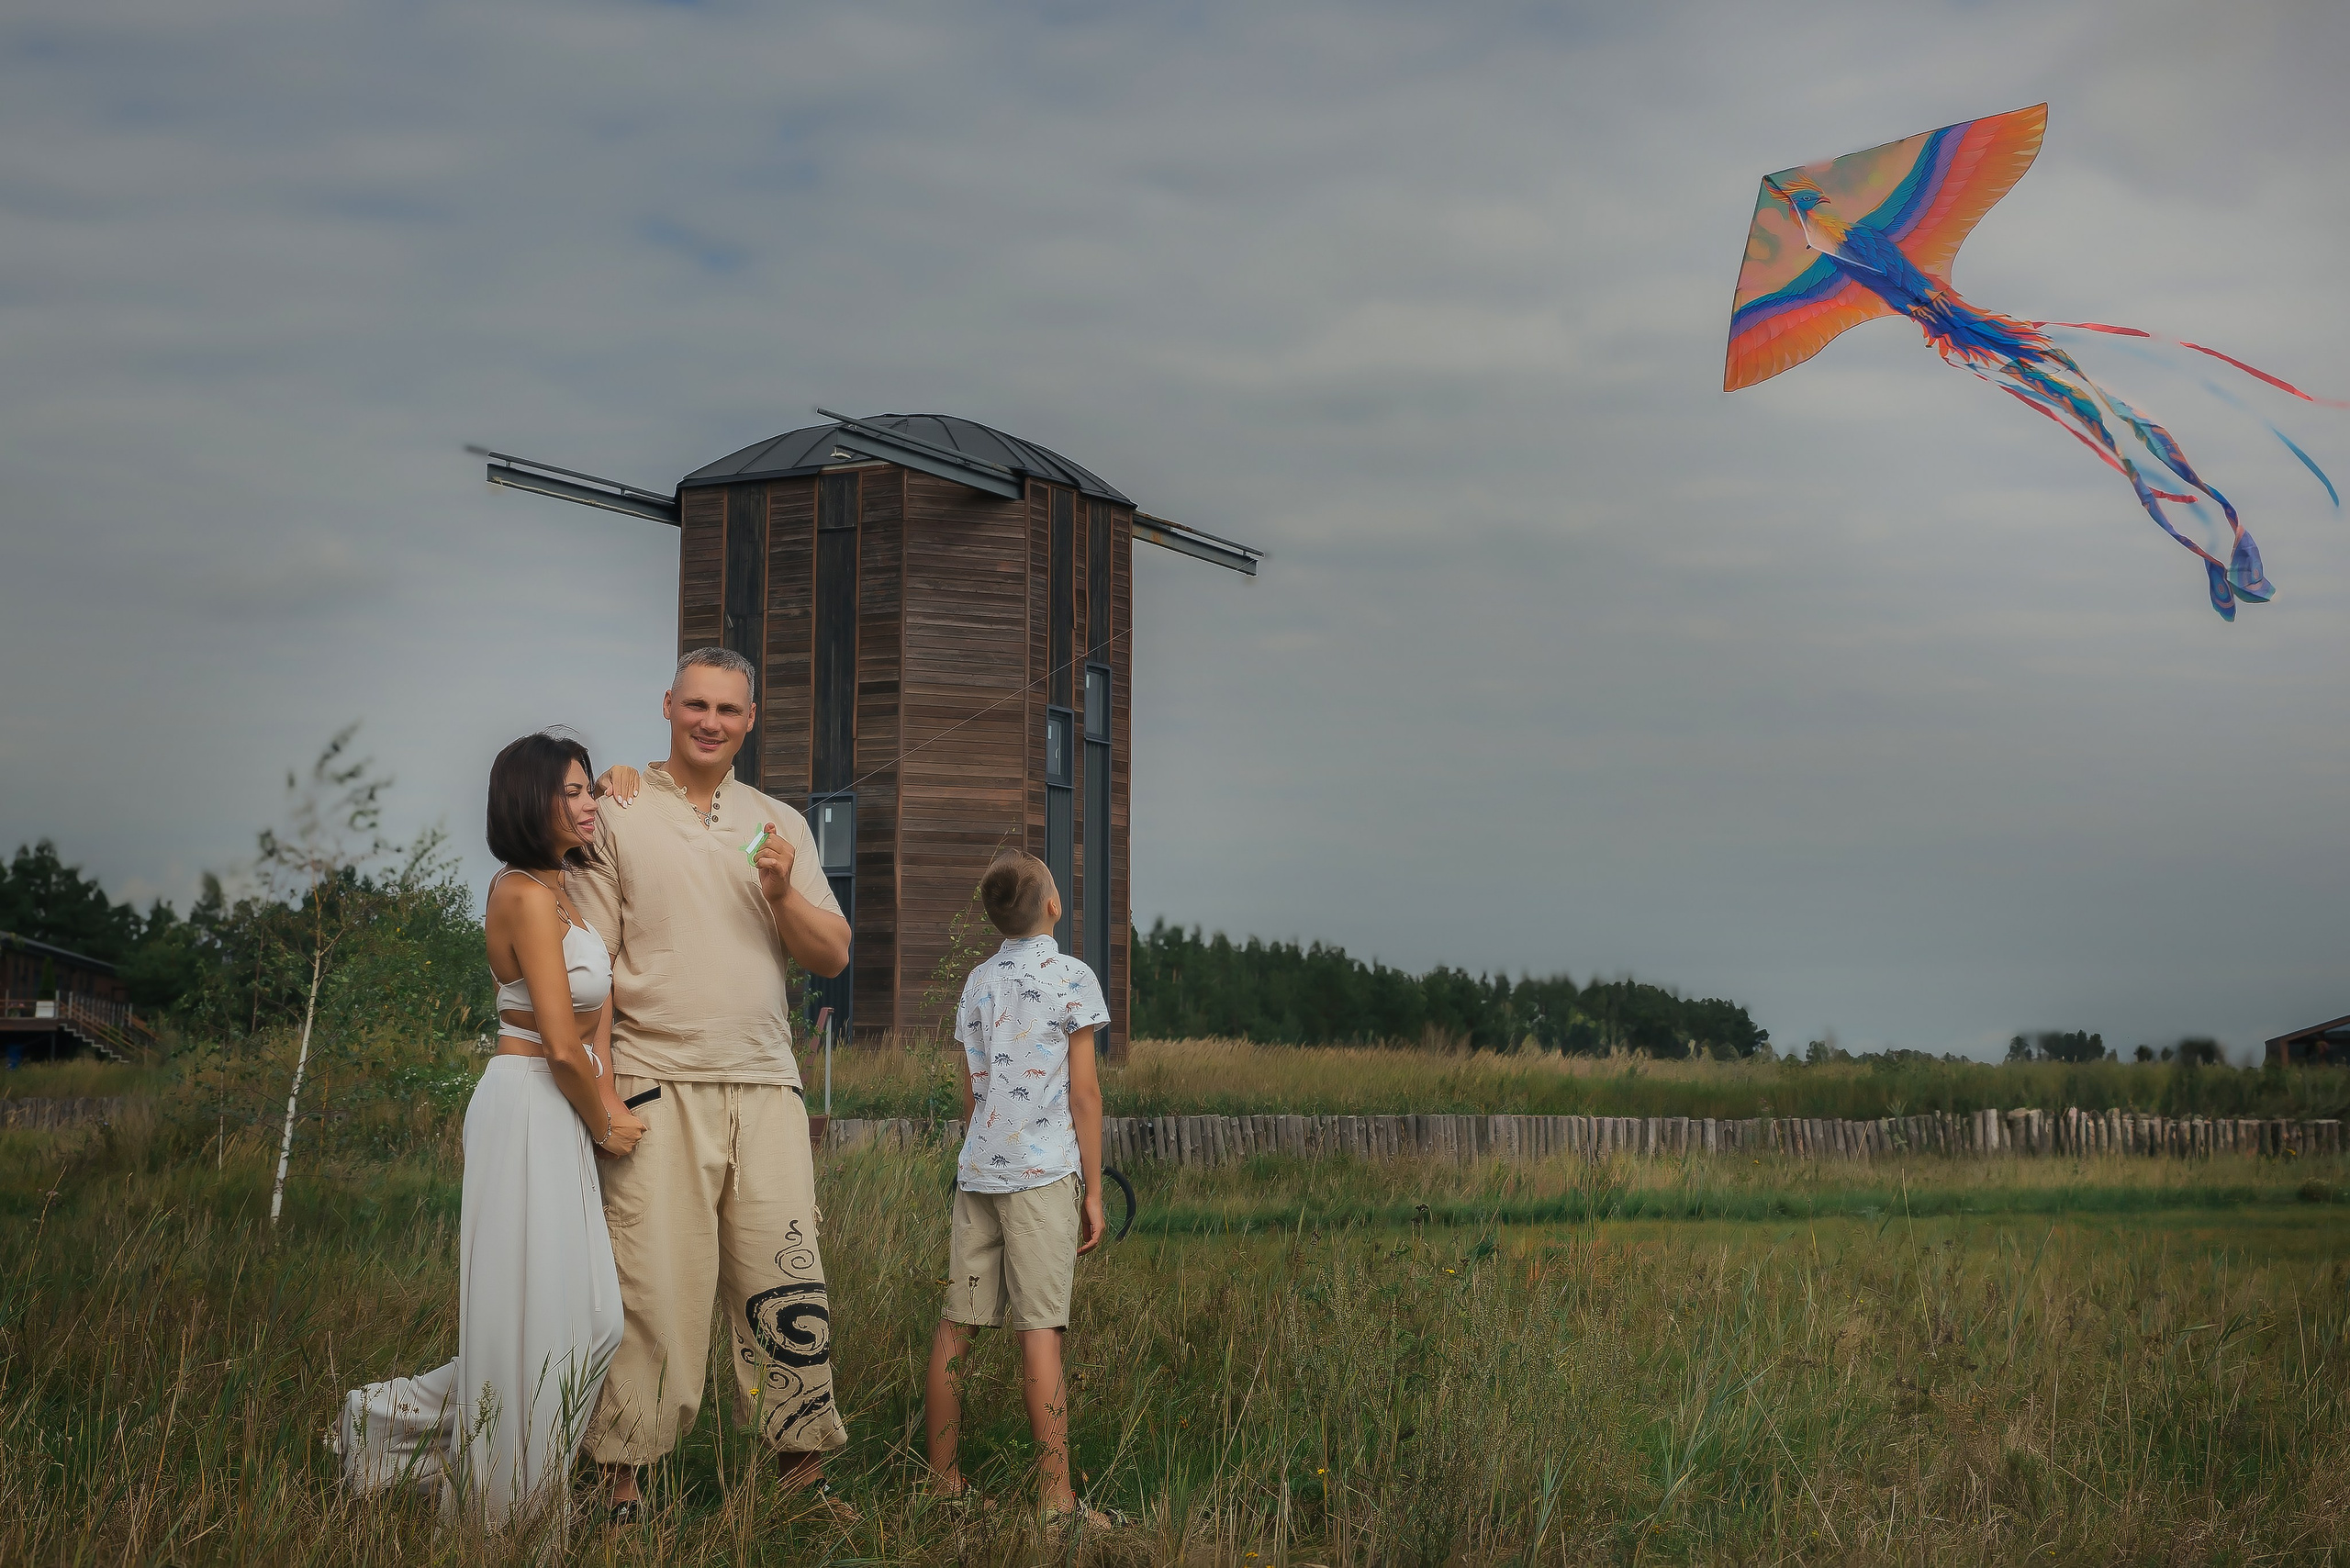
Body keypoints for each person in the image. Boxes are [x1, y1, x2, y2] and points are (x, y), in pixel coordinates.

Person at [571, 647, 856, 1523]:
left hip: (768, 1086)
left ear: (751, 719)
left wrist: (778, 890)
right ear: (667, 705)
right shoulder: (617, 809)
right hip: (657, 1084)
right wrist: (606, 1096)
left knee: (787, 1282)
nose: (710, 721)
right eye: (695, 704)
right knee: (652, 1287)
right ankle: (623, 1482)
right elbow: (593, 973)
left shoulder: (778, 824)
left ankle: (803, 1483)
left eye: (728, 710)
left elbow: (831, 955)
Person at [336, 732, 647, 1534]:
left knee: (594, 1321)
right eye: (571, 792)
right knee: (537, 1315)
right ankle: (506, 1510)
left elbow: (595, 1019)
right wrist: (606, 1118)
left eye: (588, 790)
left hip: (565, 1104)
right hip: (528, 1102)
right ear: (528, 801)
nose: (587, 804)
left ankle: (443, 1448)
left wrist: (617, 780)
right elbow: (554, 1035)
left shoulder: (569, 891)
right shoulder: (521, 894)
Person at [923, 850, 1113, 1527]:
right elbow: (1085, 1094)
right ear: (1053, 905)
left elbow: (972, 1090)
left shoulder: (976, 982)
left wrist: (981, 1148)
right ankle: (1056, 1503)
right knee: (1041, 1329)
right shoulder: (1072, 978)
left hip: (979, 1171)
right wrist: (1093, 1191)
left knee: (958, 1324)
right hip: (1041, 1178)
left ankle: (943, 1486)